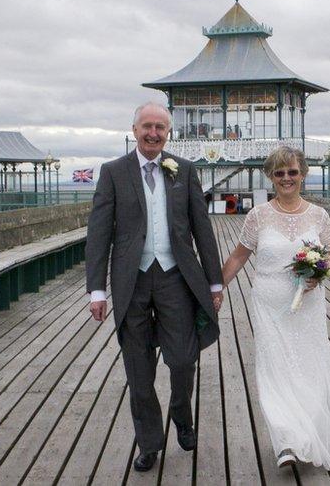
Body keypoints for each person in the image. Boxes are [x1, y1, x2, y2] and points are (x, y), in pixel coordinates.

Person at [84, 102, 225, 472]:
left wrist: (214, 281)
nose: (153, 133)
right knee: (138, 369)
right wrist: (96, 290)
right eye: (147, 126)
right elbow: (98, 233)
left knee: (183, 357)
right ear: (134, 130)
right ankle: (149, 443)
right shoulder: (113, 172)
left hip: (175, 276)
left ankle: (181, 410)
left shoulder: (184, 170)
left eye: (160, 128)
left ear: (168, 133)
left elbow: (202, 230)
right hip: (131, 279)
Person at [220, 146, 330, 470]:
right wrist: (215, 286)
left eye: (292, 172)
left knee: (307, 368)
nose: (286, 178)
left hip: (308, 306)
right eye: (279, 173)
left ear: (303, 174)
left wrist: (320, 274)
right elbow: (238, 257)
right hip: (269, 305)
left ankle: (308, 431)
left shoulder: (319, 216)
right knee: (275, 369)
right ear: (271, 177)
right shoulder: (258, 216)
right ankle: (286, 442)